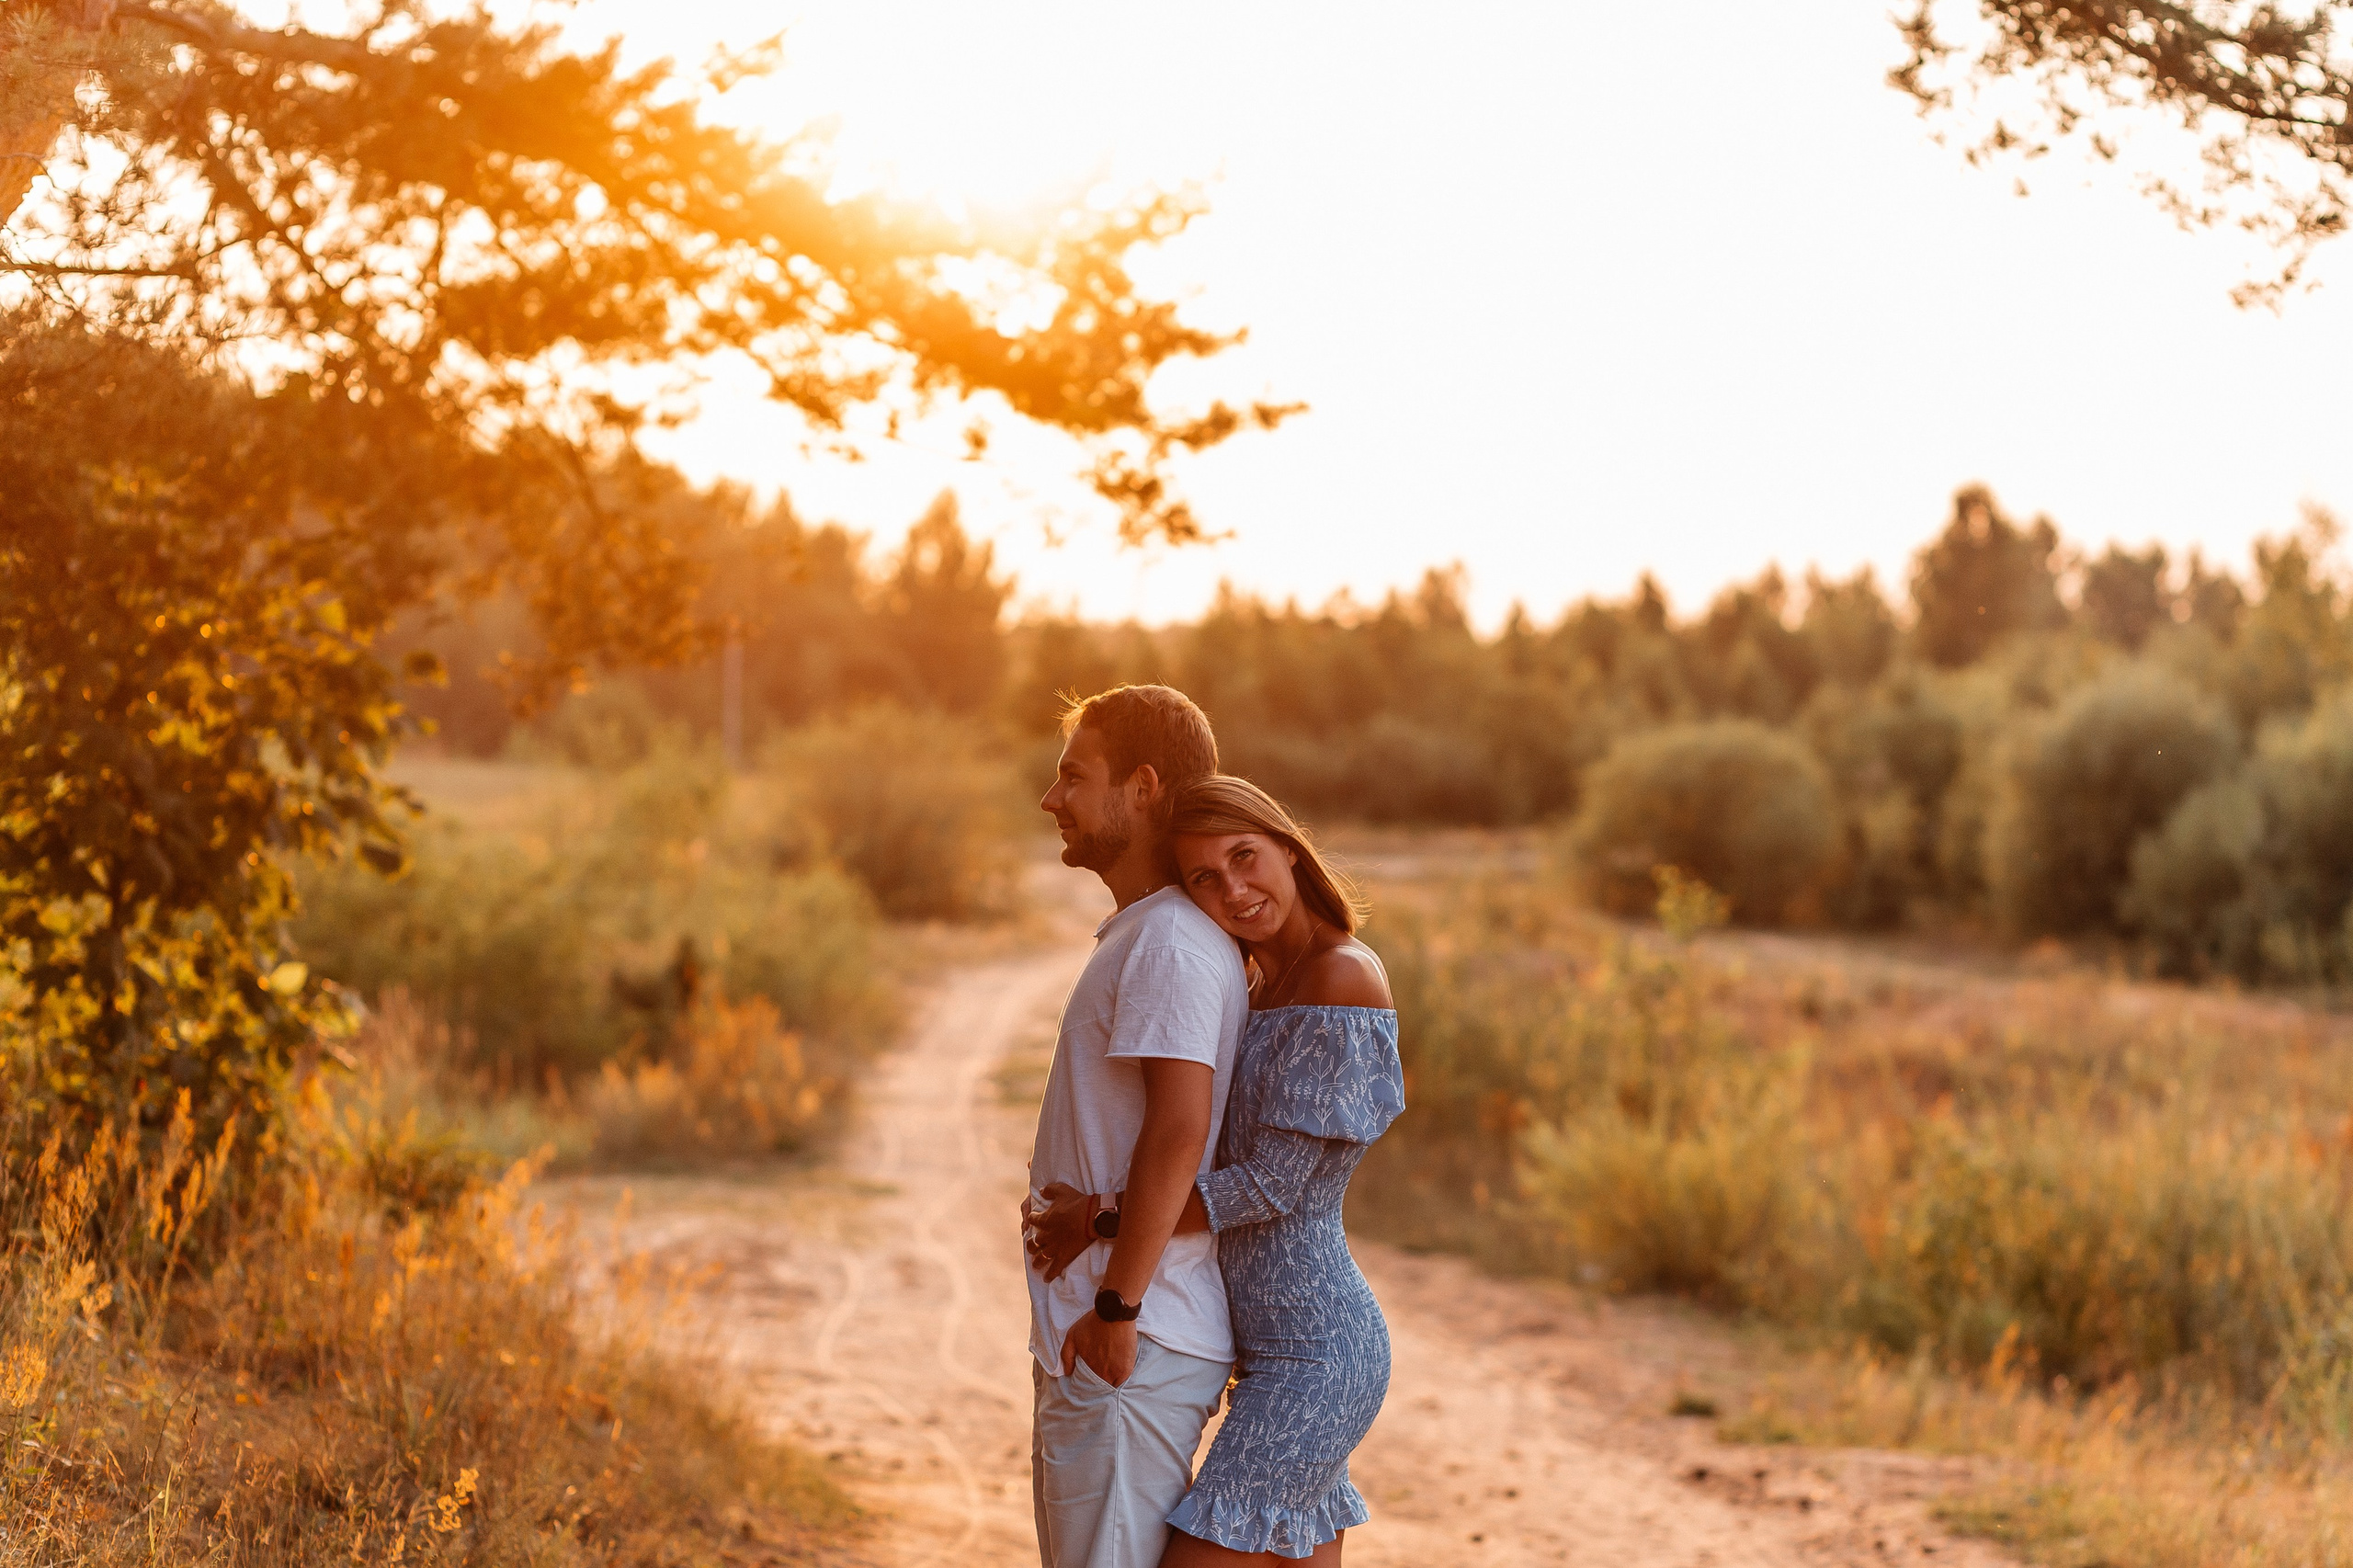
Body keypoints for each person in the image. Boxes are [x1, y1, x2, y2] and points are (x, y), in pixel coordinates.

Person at [1028, 775, 1405, 1565]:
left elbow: (1275, 1186)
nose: (1233, 889)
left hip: (1313, 1351)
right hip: (1264, 1347)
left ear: (1290, 851)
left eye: (1245, 857)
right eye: (1205, 877)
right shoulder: (1260, 983)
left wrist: (1101, 1215)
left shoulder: (1342, 977)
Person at [1023, 685, 1252, 1568]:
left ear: (1144, 786)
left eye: (1073, 776)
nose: (1052, 800)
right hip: (1116, 1338)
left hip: (1134, 1342)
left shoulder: (1168, 941)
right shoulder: (1148, 933)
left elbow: (1178, 1130)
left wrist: (1117, 1307)